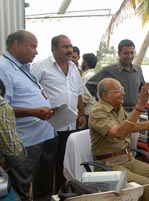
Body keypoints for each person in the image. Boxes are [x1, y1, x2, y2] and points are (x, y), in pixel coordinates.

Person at [89, 77, 149, 201]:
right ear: (105, 95)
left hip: (127, 159)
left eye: (122, 89)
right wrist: (139, 107)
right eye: (118, 90)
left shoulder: (118, 108)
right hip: (109, 164)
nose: (123, 93)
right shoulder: (97, 112)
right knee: (146, 185)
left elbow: (131, 126)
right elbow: (119, 133)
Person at [0, 30, 57, 201]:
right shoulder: (3, 68)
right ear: (16, 45)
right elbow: (3, 108)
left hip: (44, 134)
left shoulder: (23, 67)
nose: (36, 51)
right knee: (21, 187)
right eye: (33, 46)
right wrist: (33, 112)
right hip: (26, 140)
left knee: (44, 184)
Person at [31, 34, 86, 193]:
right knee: (45, 164)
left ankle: (62, 194)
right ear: (53, 48)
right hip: (49, 125)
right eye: (65, 47)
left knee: (65, 163)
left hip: (70, 124)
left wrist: (81, 114)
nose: (69, 50)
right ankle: (43, 197)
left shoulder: (74, 68)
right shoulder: (40, 66)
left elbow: (78, 93)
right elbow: (30, 90)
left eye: (70, 46)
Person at [86, 39, 145, 150]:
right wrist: (104, 102)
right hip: (116, 114)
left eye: (132, 53)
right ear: (119, 54)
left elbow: (141, 88)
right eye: (126, 53)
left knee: (133, 145)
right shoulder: (108, 70)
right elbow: (90, 85)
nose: (129, 56)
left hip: (134, 112)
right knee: (117, 145)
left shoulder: (138, 70)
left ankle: (131, 164)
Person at [81, 53, 98, 128]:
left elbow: (85, 96)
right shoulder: (92, 74)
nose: (81, 63)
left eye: (82, 61)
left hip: (88, 111)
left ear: (86, 63)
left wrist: (81, 112)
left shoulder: (88, 76)